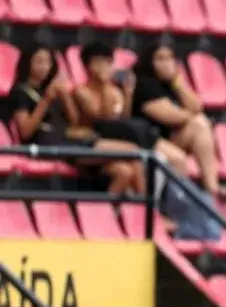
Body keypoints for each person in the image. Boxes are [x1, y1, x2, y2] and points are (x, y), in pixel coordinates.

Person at [9, 42, 143, 195]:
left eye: (48, 62)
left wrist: (65, 96)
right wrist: (46, 100)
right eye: (39, 61)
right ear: (28, 63)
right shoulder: (21, 92)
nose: (44, 67)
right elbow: (25, 131)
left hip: (70, 139)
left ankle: (103, 214)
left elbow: (75, 122)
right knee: (133, 151)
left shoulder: (52, 88)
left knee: (124, 172)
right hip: (48, 144)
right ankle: (149, 210)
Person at [131, 42, 226, 199]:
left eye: (170, 58)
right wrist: (192, 115)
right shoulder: (144, 84)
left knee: (201, 125)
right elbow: (171, 117)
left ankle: (212, 186)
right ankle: (179, 203)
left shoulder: (172, 85)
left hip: (170, 138)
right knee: (197, 123)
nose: (167, 63)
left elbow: (196, 106)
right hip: (148, 140)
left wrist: (177, 82)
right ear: (150, 62)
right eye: (160, 59)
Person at [73, 41, 189, 180]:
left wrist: (128, 95)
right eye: (100, 62)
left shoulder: (115, 91)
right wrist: (104, 85)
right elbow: (103, 117)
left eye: (109, 62)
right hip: (103, 139)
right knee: (133, 161)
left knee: (178, 159)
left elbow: (123, 117)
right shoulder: (82, 91)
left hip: (131, 135)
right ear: (88, 65)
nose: (106, 67)